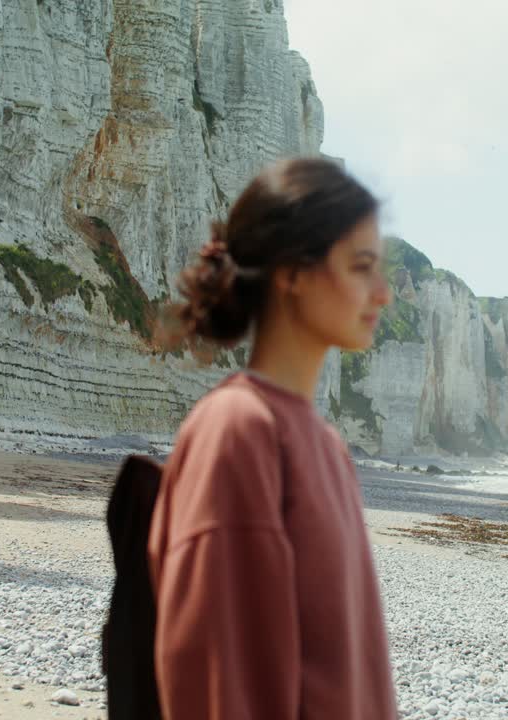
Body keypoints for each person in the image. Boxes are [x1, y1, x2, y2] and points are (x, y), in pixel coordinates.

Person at [147, 156, 398, 719]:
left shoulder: (323, 442)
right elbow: (221, 683)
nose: (382, 293)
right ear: (291, 273)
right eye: (361, 267)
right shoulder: (238, 432)